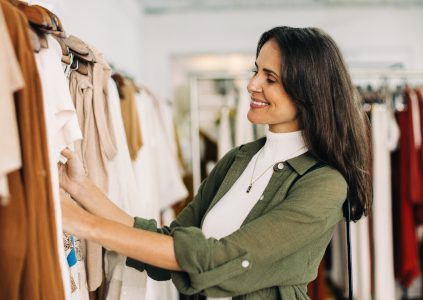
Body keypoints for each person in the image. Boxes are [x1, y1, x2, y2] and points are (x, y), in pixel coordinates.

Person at [59, 26, 372, 300]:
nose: (252, 84)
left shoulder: (325, 184)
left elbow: (216, 259)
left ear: (308, 92)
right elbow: (170, 242)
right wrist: (83, 189)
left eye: (270, 78)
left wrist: (85, 225)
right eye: (256, 70)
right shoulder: (240, 158)